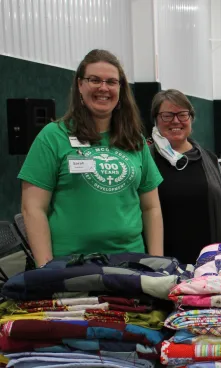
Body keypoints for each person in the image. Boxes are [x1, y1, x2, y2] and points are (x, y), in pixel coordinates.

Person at [18, 49, 163, 266]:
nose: (103, 88)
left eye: (111, 82)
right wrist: (45, 268)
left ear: (120, 89)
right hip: (70, 266)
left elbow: (151, 208)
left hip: (130, 263)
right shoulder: (53, 136)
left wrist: (155, 263)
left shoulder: (134, 141)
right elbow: (33, 208)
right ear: (80, 85)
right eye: (94, 80)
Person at [150, 89, 221, 264]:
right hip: (164, 266)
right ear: (156, 120)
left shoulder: (209, 159)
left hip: (210, 265)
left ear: (191, 119)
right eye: (167, 115)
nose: (176, 121)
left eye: (182, 114)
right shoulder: (146, 159)